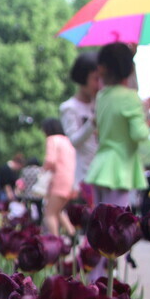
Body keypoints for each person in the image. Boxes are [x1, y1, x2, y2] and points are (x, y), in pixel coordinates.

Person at [86, 42, 150, 280]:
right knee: (115, 234)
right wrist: (148, 113)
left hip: (101, 165)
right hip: (121, 169)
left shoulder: (103, 95)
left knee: (98, 232)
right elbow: (140, 134)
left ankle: (94, 280)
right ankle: (106, 287)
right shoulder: (130, 98)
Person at [60, 52, 99, 204]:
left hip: (104, 175)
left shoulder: (101, 103)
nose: (98, 84)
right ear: (83, 78)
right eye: (95, 79)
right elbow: (74, 140)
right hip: (84, 177)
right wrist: (92, 123)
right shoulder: (69, 108)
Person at [40, 117, 76, 235]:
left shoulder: (52, 139)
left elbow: (50, 160)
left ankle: (55, 241)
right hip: (71, 181)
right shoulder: (68, 141)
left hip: (59, 179)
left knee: (49, 213)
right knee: (58, 210)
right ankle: (71, 234)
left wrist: (42, 170)